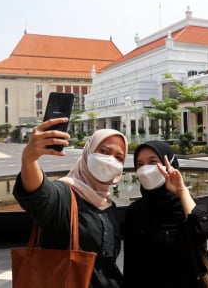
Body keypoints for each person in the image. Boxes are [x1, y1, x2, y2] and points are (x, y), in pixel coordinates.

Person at [13, 118, 126, 288]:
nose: (111, 160)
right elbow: (39, 194)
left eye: (119, 157)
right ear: (88, 152)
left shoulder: (108, 206)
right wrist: (29, 160)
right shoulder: (65, 195)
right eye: (103, 151)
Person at [123, 141, 208, 288]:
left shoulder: (188, 206)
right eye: (140, 164)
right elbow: (131, 264)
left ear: (169, 165)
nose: (145, 168)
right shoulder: (134, 211)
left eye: (152, 161)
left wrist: (181, 191)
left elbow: (203, 229)